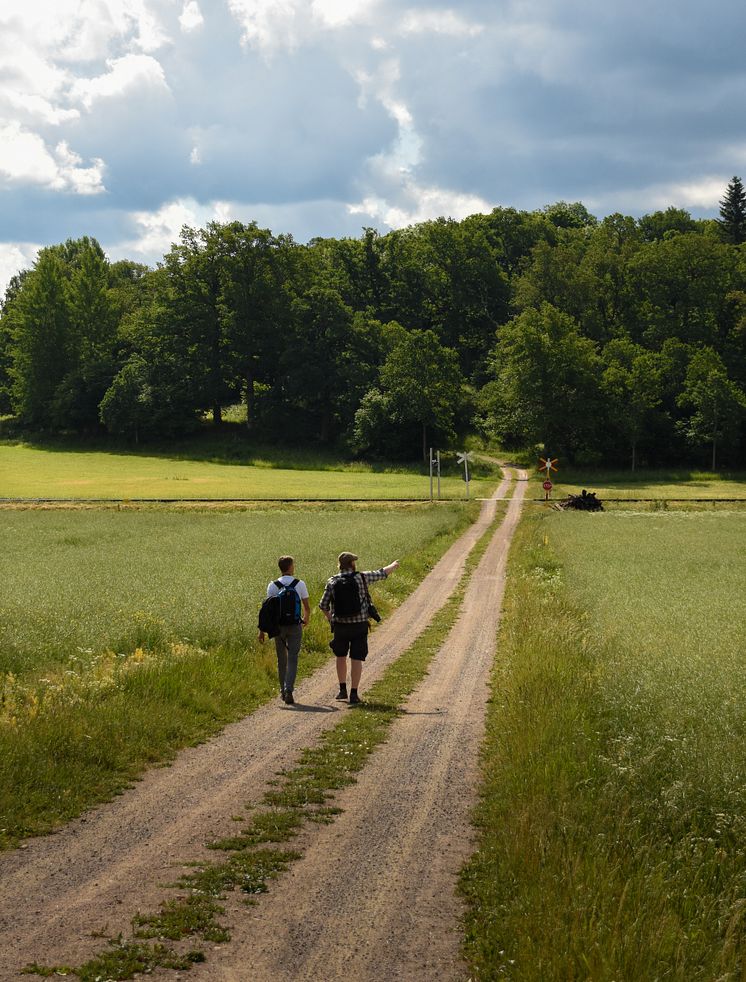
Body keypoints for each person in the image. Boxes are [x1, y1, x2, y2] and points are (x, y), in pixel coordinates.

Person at [319, 551, 399, 704]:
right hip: (359, 626)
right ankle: (354, 693)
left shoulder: (332, 581)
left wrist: (331, 620)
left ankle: (342, 690)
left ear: (340, 565)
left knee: (340, 656)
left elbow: (323, 605)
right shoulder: (362, 577)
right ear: (352, 564)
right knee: (356, 658)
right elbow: (381, 573)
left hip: (340, 626)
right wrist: (393, 565)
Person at [259, 555, 310, 705]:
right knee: (293, 658)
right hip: (295, 625)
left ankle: (282, 690)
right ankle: (289, 689)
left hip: (278, 627)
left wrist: (262, 631)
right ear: (290, 567)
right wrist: (305, 620)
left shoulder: (272, 585)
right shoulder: (299, 584)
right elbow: (306, 607)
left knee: (282, 659)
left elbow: (267, 610)